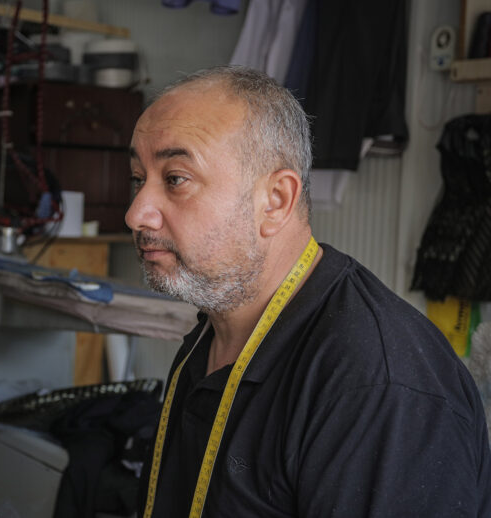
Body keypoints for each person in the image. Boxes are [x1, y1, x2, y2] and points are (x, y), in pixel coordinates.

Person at [126, 65, 491, 517]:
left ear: (276, 200)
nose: (137, 213)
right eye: (138, 179)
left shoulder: (379, 383)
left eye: (175, 179)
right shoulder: (215, 330)